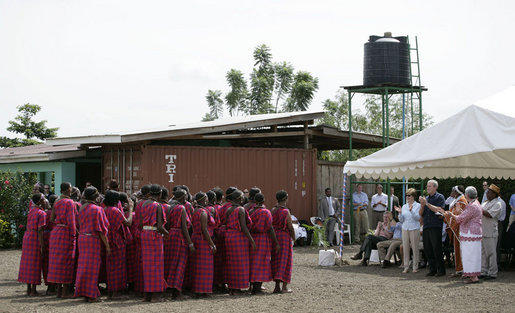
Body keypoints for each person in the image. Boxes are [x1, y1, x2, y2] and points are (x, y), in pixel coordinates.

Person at [74, 186, 110, 302]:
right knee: (93, 267)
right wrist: (107, 246)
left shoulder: (82, 208)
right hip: (93, 240)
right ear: (96, 196)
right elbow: (101, 230)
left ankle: (85, 292)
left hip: (83, 238)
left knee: (84, 266)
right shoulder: (97, 209)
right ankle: (91, 295)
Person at [442, 186, 482, 284]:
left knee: (469, 255)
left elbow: (461, 218)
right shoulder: (476, 203)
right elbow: (465, 216)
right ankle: (473, 275)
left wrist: (451, 215)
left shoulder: (472, 205)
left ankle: (473, 276)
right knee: (473, 255)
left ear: (467, 195)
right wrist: (460, 212)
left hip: (470, 233)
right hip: (474, 232)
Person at [47, 182, 77, 298]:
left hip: (56, 232)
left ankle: (58, 291)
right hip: (65, 233)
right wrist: (74, 234)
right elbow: (71, 221)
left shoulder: (56, 201)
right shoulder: (70, 202)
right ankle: (65, 293)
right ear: (67, 190)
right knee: (66, 261)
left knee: (57, 261)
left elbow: (51, 218)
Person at [140, 184, 168, 301]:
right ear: (160, 194)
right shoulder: (157, 206)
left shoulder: (143, 204)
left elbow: (141, 222)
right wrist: (167, 234)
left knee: (147, 265)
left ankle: (147, 294)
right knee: (157, 265)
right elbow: (160, 226)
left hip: (145, 234)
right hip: (154, 235)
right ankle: (156, 295)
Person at [164, 189, 194, 298]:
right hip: (179, 236)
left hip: (170, 235)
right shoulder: (181, 208)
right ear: (183, 197)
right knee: (180, 263)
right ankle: (177, 291)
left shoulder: (169, 207)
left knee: (170, 263)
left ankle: (169, 288)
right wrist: (190, 243)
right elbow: (184, 227)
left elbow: (166, 223)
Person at [225, 189, 256, 295]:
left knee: (231, 263)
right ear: (239, 198)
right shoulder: (240, 210)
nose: (243, 198)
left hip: (229, 236)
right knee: (240, 263)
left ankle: (232, 288)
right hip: (238, 237)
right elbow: (243, 226)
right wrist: (251, 240)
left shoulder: (229, 209)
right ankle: (237, 288)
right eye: (242, 196)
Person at [103, 190, 133, 298]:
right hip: (117, 241)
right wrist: (130, 209)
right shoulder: (115, 211)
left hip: (107, 240)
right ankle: (116, 292)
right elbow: (128, 222)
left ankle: (111, 291)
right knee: (118, 267)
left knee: (110, 266)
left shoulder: (104, 209)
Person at [248, 193, 280, 294]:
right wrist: (276, 242)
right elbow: (270, 228)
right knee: (261, 262)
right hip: (262, 239)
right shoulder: (266, 212)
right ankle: (257, 288)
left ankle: (252, 285)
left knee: (252, 261)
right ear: (263, 200)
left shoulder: (250, 211)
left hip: (252, 238)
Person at [18, 193, 47, 296]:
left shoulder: (31, 211)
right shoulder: (41, 213)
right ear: (39, 201)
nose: (45, 201)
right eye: (43, 199)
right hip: (35, 238)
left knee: (27, 262)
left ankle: (28, 288)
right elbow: (40, 230)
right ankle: (33, 290)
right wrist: (42, 245)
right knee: (35, 262)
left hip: (27, 236)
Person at [190, 192, 217, 297]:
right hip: (203, 241)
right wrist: (212, 244)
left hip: (196, 238)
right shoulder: (203, 212)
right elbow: (204, 229)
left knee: (197, 266)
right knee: (205, 267)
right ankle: (204, 290)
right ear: (203, 199)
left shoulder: (194, 210)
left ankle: (197, 289)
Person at [419, 179, 446, 277]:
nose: (428, 188)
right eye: (427, 186)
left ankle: (441, 270)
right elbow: (421, 214)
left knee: (436, 248)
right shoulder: (426, 198)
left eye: (429, 186)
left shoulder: (440, 197)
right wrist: (422, 205)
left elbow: (439, 210)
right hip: (426, 225)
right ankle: (432, 269)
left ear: (435, 187)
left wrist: (426, 204)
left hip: (435, 226)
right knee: (428, 248)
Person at [271, 190, 295, 293]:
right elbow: (290, 226)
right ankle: (284, 286)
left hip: (275, 236)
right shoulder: (285, 211)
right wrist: (294, 237)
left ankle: (277, 286)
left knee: (276, 259)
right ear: (285, 199)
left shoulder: (273, 210)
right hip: (284, 237)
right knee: (286, 260)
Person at [395, 188, 421, 273]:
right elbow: (401, 220)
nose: (407, 197)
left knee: (414, 247)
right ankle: (406, 266)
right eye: (406, 195)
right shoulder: (404, 206)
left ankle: (415, 266)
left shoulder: (418, 205)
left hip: (414, 228)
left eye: (409, 195)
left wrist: (412, 211)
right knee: (405, 247)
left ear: (413, 196)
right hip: (405, 228)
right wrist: (400, 213)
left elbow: (417, 218)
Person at [480, 184, 502, 280]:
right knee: (484, 253)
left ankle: (492, 272)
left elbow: (489, 214)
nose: (487, 194)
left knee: (491, 253)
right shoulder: (485, 203)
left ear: (494, 194)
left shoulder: (497, 203)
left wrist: (478, 209)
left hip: (491, 231)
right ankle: (484, 271)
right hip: (483, 230)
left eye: (489, 192)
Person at [444, 185, 467, 277]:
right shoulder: (457, 200)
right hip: (456, 227)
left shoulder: (462, 201)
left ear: (456, 192)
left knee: (461, 249)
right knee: (457, 249)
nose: (452, 192)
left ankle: (463, 269)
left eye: (453, 191)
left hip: (459, 228)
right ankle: (459, 269)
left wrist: (446, 216)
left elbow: (457, 214)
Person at [496, 195, 506, 271]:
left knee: (497, 244)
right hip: (496, 223)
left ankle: (497, 263)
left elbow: (497, 215)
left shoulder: (500, 202)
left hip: (498, 223)